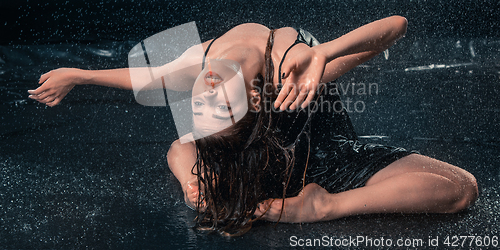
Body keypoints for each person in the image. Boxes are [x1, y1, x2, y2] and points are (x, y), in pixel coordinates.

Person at [28, 17, 478, 236]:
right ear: (255, 100)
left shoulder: (201, 68)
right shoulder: (285, 75)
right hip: (317, 153)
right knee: (464, 188)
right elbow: (394, 27)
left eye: (203, 103)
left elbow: (396, 27)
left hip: (299, 143)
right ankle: (325, 204)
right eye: (216, 104)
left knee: (192, 142)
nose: (205, 93)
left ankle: (318, 201)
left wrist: (79, 74)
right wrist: (319, 56)